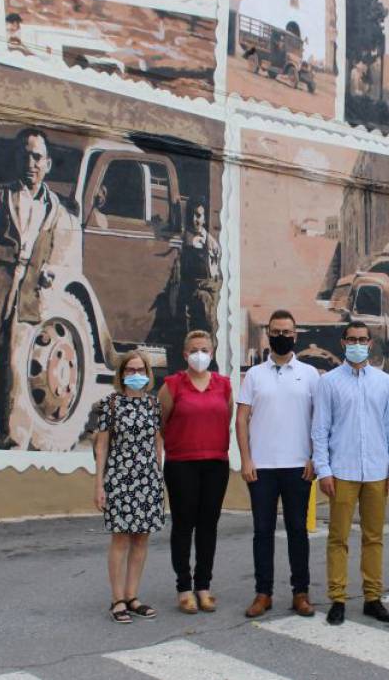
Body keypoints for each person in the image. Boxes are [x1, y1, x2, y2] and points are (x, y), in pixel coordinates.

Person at [0, 127, 66, 449]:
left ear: (48, 163)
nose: (30, 163)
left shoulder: (54, 207)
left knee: (14, 366)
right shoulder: (0, 194)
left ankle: (9, 439)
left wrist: (49, 275)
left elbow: (54, 252)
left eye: (37, 157)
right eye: (25, 156)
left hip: (27, 291)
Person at [311, 321, 389, 626]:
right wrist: (324, 470)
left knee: (373, 537)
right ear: (343, 343)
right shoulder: (329, 382)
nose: (357, 344)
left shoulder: (384, 382)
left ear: (371, 343)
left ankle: (373, 598)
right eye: (352, 339)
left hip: (377, 471)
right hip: (342, 471)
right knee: (338, 538)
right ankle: (337, 598)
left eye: (363, 339)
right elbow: (320, 429)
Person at [236, 309, 320, 619]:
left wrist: (315, 457)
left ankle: (301, 593)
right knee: (263, 532)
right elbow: (241, 419)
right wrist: (246, 459)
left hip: (299, 466)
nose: (281, 337)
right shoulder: (255, 375)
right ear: (268, 334)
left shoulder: (310, 374)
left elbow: (320, 420)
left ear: (295, 335)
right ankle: (263, 593)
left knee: (298, 531)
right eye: (276, 332)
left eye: (286, 332)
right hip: (262, 468)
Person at [158, 330, 232, 615]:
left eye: (204, 349)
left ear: (212, 353)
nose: (199, 354)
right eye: (193, 350)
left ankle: (203, 585)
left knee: (208, 525)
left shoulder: (223, 385)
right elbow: (161, 424)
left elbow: (225, 418)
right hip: (181, 464)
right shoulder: (172, 385)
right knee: (183, 525)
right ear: (185, 354)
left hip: (215, 464)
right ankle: (184, 587)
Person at [92, 350, 164, 624]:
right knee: (121, 538)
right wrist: (99, 485)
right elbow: (102, 446)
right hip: (119, 479)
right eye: (130, 370)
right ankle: (117, 599)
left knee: (141, 538)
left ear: (147, 373)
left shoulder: (154, 405)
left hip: (148, 479)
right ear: (121, 374)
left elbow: (157, 442)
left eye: (140, 370)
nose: (136, 374)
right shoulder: (110, 404)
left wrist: (158, 476)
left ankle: (133, 596)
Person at [179, 199, 221, 337]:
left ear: (204, 218)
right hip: (189, 289)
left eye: (198, 215)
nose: (194, 220)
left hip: (207, 289)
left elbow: (214, 273)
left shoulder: (211, 242)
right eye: (191, 215)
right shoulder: (185, 237)